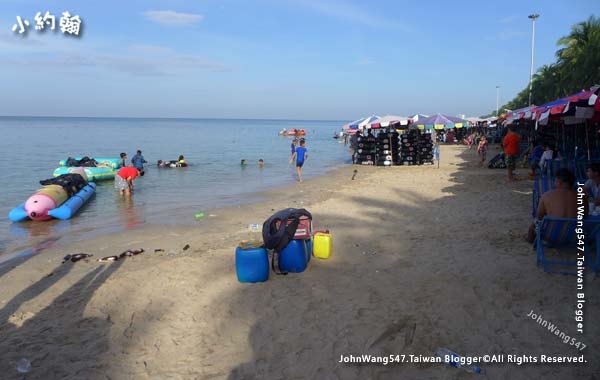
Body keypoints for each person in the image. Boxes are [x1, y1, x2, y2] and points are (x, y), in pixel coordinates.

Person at [526, 168, 584, 243]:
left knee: (533, 225)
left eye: (555, 181)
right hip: (575, 236)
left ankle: (530, 240)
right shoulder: (581, 197)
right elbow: (584, 215)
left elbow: (539, 217)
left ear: (559, 182)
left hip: (550, 236)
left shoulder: (546, 196)